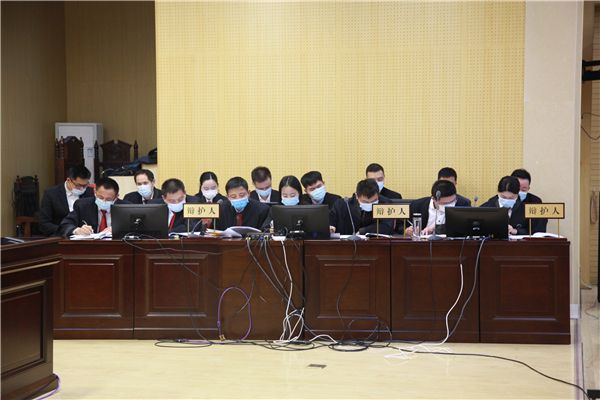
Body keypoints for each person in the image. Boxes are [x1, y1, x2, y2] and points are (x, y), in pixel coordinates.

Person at [57, 177, 130, 237]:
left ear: (116, 197)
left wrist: (119, 230)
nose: (104, 201)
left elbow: (135, 229)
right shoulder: (82, 205)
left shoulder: (126, 208)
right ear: (95, 192)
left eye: (108, 199)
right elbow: (65, 225)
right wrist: (78, 230)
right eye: (101, 197)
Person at [39, 164, 95, 237]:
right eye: (78, 185)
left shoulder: (90, 192)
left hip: (86, 236)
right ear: (68, 180)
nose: (82, 189)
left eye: (85, 185)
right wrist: (72, 231)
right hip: (59, 236)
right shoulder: (51, 194)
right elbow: (44, 224)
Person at [405, 180, 470, 236]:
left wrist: (435, 228)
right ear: (433, 199)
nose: (449, 205)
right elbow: (401, 225)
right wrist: (407, 231)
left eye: (452, 201)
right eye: (444, 203)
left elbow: (464, 227)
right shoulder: (417, 205)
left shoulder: (463, 204)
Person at [329, 179, 394, 235]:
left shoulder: (386, 204)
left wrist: (363, 231)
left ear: (378, 194)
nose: (370, 204)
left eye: (374, 201)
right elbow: (330, 221)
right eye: (365, 202)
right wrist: (330, 228)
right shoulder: (342, 205)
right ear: (356, 196)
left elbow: (387, 227)